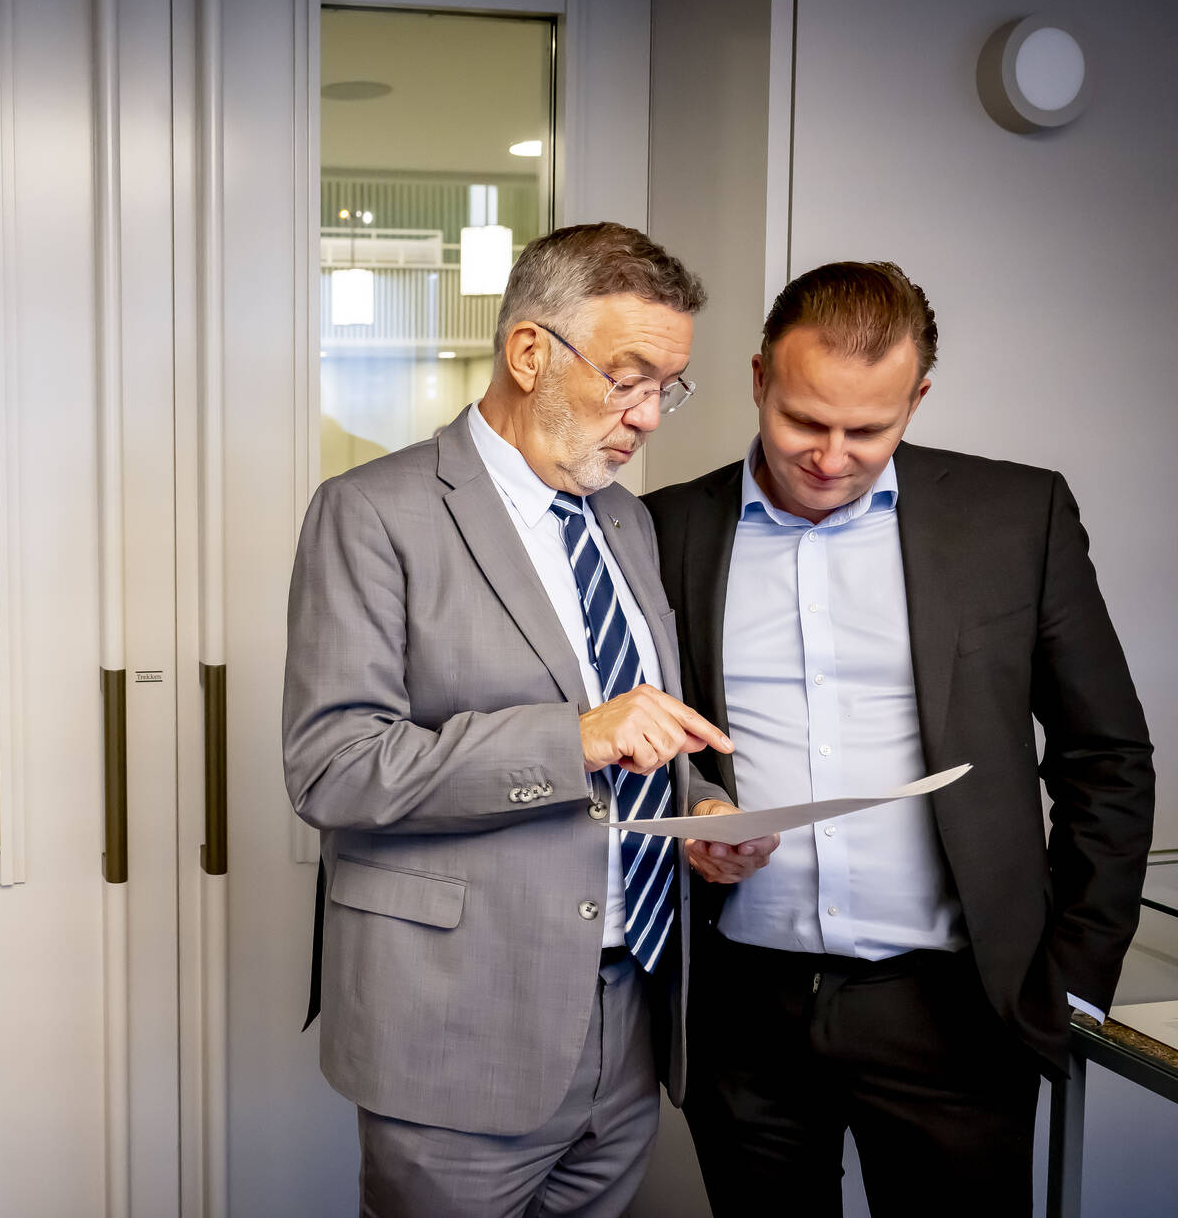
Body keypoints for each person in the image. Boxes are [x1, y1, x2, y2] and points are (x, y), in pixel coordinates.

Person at [283, 222, 774, 1217]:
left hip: (627, 1026)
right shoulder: (373, 512)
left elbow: (647, 726)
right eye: (629, 377)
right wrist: (574, 736)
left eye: (666, 387)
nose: (648, 416)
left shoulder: (626, 520)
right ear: (529, 350)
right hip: (458, 1034)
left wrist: (708, 811)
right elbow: (333, 768)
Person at [644, 261, 1155, 1216]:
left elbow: (1107, 758)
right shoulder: (663, 527)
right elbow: (654, 747)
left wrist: (1072, 987)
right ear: (758, 379)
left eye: (870, 430)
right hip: (741, 1008)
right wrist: (697, 805)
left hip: (958, 1013)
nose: (831, 456)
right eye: (803, 420)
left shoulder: (1017, 517)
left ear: (916, 400)